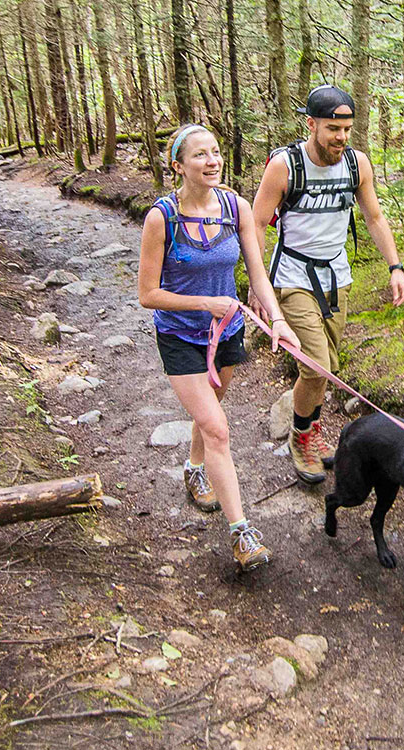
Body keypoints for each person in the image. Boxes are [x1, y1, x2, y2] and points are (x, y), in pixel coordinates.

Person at [138, 124, 300, 571]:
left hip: (227, 332)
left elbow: (257, 273)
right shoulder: (162, 218)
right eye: (199, 156)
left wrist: (278, 320)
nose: (212, 161)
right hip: (179, 336)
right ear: (178, 166)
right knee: (218, 428)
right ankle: (241, 532)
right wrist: (203, 302)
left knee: (209, 415)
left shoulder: (235, 207)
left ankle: (194, 469)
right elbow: (147, 294)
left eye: (215, 153)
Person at [251, 85, 404, 485]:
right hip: (292, 276)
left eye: (346, 129)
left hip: (337, 276)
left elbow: (374, 217)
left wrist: (395, 267)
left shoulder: (357, 165)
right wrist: (258, 284)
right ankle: (301, 438)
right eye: (332, 129)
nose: (340, 137)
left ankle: (309, 427)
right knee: (317, 364)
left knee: (324, 368)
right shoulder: (285, 167)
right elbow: (255, 223)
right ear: (312, 124)